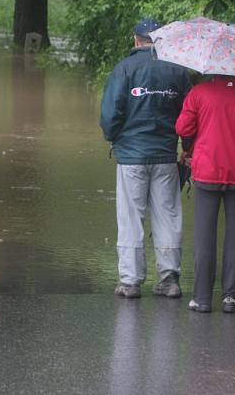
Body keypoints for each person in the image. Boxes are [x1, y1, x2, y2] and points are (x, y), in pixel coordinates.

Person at [100, 18, 191, 299]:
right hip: (166, 155)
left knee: (131, 217)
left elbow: (110, 115)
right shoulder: (178, 72)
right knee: (167, 216)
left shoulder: (124, 70)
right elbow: (189, 116)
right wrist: (186, 147)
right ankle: (169, 278)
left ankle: (130, 281)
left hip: (131, 157)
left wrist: (114, 137)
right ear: (160, 41)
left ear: (136, 39)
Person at [175, 75, 235, 313]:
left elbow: (182, 127)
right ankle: (232, 298)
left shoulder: (199, 93)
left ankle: (202, 298)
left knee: (204, 235)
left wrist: (194, 145)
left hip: (206, 170)